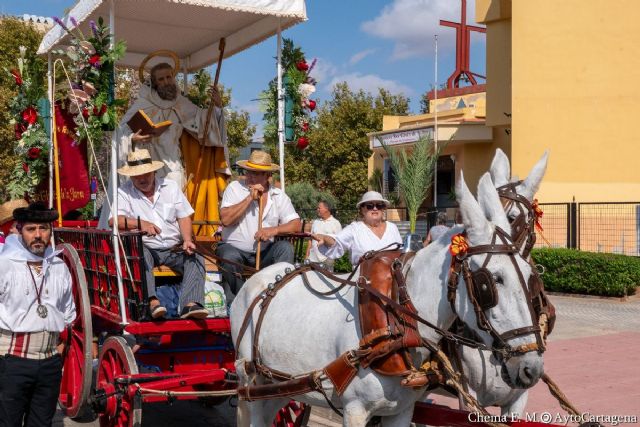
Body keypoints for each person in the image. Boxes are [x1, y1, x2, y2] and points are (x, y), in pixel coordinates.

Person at [0, 202, 76, 426]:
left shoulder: (59, 267)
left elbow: (68, 313)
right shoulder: (5, 265)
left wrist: (58, 351)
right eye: (31, 229)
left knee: (42, 423)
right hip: (12, 361)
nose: (38, 235)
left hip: (50, 363)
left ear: (50, 231)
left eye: (43, 228)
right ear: (19, 230)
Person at [112, 149, 208, 320]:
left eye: (146, 174)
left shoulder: (170, 187)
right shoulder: (123, 192)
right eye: (136, 176)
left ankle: (190, 304)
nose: (142, 179)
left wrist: (187, 240)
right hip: (147, 247)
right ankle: (152, 302)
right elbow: (115, 221)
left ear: (154, 172)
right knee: (140, 254)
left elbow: (183, 216)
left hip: (173, 247)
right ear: (131, 177)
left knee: (196, 255)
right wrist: (141, 224)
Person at [118, 62, 229, 189]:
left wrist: (217, 108)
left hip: (172, 164)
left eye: (168, 77)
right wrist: (132, 138)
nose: (166, 82)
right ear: (154, 83)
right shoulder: (143, 103)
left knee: (174, 201)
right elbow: (121, 131)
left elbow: (204, 121)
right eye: (161, 79)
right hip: (146, 166)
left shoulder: (181, 103)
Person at [217, 150, 301, 303]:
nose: (249, 176)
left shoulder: (278, 195)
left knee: (285, 248)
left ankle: (277, 297)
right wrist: (249, 198)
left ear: (267, 176)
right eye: (248, 172)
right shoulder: (234, 188)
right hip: (235, 250)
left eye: (255, 173)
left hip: (264, 253)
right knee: (229, 256)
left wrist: (273, 230)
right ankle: (246, 297)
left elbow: (296, 224)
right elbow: (226, 220)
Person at [313, 191, 402, 266]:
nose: (375, 208)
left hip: (392, 280)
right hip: (363, 280)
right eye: (370, 206)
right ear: (362, 209)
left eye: (379, 205)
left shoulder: (392, 227)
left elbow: (400, 254)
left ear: (383, 209)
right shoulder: (354, 229)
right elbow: (337, 241)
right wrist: (325, 238)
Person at [305, 200, 342, 270]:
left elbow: (338, 243)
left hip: (327, 260)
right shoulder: (315, 222)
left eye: (319, 208)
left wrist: (331, 258)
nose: (317, 210)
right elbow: (310, 240)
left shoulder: (336, 223)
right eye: (317, 208)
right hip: (312, 259)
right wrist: (307, 256)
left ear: (326, 209)